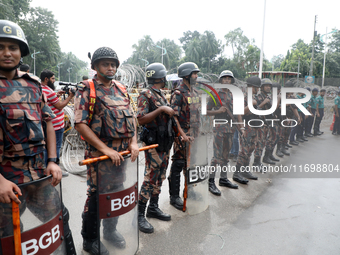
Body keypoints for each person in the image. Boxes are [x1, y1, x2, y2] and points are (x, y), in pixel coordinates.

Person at [0, 20, 75, 254]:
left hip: (37, 174)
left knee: (59, 218)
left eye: (13, 47)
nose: (6, 53)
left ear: (21, 52)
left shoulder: (32, 85)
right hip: (7, 180)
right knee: (9, 234)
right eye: (0, 47)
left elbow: (48, 121)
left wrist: (52, 161)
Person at [74, 47, 139, 255]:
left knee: (117, 193)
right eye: (105, 64)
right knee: (96, 196)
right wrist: (105, 149)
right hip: (99, 157)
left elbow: (132, 118)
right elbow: (80, 124)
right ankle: (90, 239)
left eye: (113, 64)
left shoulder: (121, 88)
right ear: (95, 67)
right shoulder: (87, 88)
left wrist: (134, 142)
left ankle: (110, 232)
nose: (110, 68)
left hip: (122, 156)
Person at [137, 63, 174, 233]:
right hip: (152, 143)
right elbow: (141, 119)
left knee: (160, 176)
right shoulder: (146, 94)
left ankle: (153, 207)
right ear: (160, 77)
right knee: (150, 177)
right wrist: (160, 109)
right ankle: (140, 215)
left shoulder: (160, 94)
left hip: (164, 142)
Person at [168, 62, 200, 210]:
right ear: (186, 75)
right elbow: (173, 118)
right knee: (178, 164)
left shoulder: (195, 92)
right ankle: (174, 197)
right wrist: (181, 135)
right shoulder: (178, 94)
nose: (196, 76)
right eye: (194, 73)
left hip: (194, 134)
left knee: (192, 163)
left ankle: (190, 191)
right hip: (183, 135)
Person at [206, 70, 238, 196]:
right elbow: (205, 111)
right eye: (224, 78)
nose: (226, 80)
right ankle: (211, 181)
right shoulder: (214, 94)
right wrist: (218, 111)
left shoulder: (232, 94)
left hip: (231, 128)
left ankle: (223, 179)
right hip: (219, 127)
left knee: (226, 156)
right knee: (217, 156)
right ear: (220, 80)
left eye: (229, 78)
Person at [41, 69, 75, 167]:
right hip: (55, 126)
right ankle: (54, 168)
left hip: (48, 125)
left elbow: (48, 100)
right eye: (53, 79)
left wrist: (56, 95)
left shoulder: (42, 88)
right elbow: (59, 106)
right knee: (55, 147)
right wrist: (70, 96)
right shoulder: (48, 90)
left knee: (48, 147)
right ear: (46, 79)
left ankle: (47, 167)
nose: (54, 81)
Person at [233, 76, 261, 184]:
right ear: (252, 87)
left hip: (254, 126)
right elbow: (240, 112)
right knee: (244, 151)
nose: (258, 89)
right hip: (246, 126)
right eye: (256, 87)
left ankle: (245, 170)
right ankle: (237, 173)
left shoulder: (253, 97)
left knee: (251, 148)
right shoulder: (244, 97)